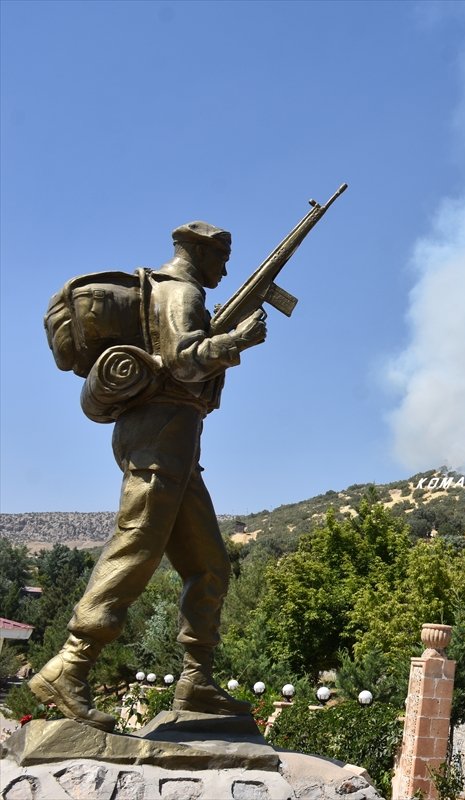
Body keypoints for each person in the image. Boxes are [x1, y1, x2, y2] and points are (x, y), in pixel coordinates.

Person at [29, 221, 268, 731]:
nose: (225, 269)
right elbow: (184, 363)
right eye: (221, 257)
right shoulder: (182, 293)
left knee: (209, 567)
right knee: (136, 545)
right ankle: (70, 664)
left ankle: (195, 682)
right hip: (161, 436)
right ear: (199, 252)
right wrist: (238, 339)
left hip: (174, 439)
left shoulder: (167, 292)